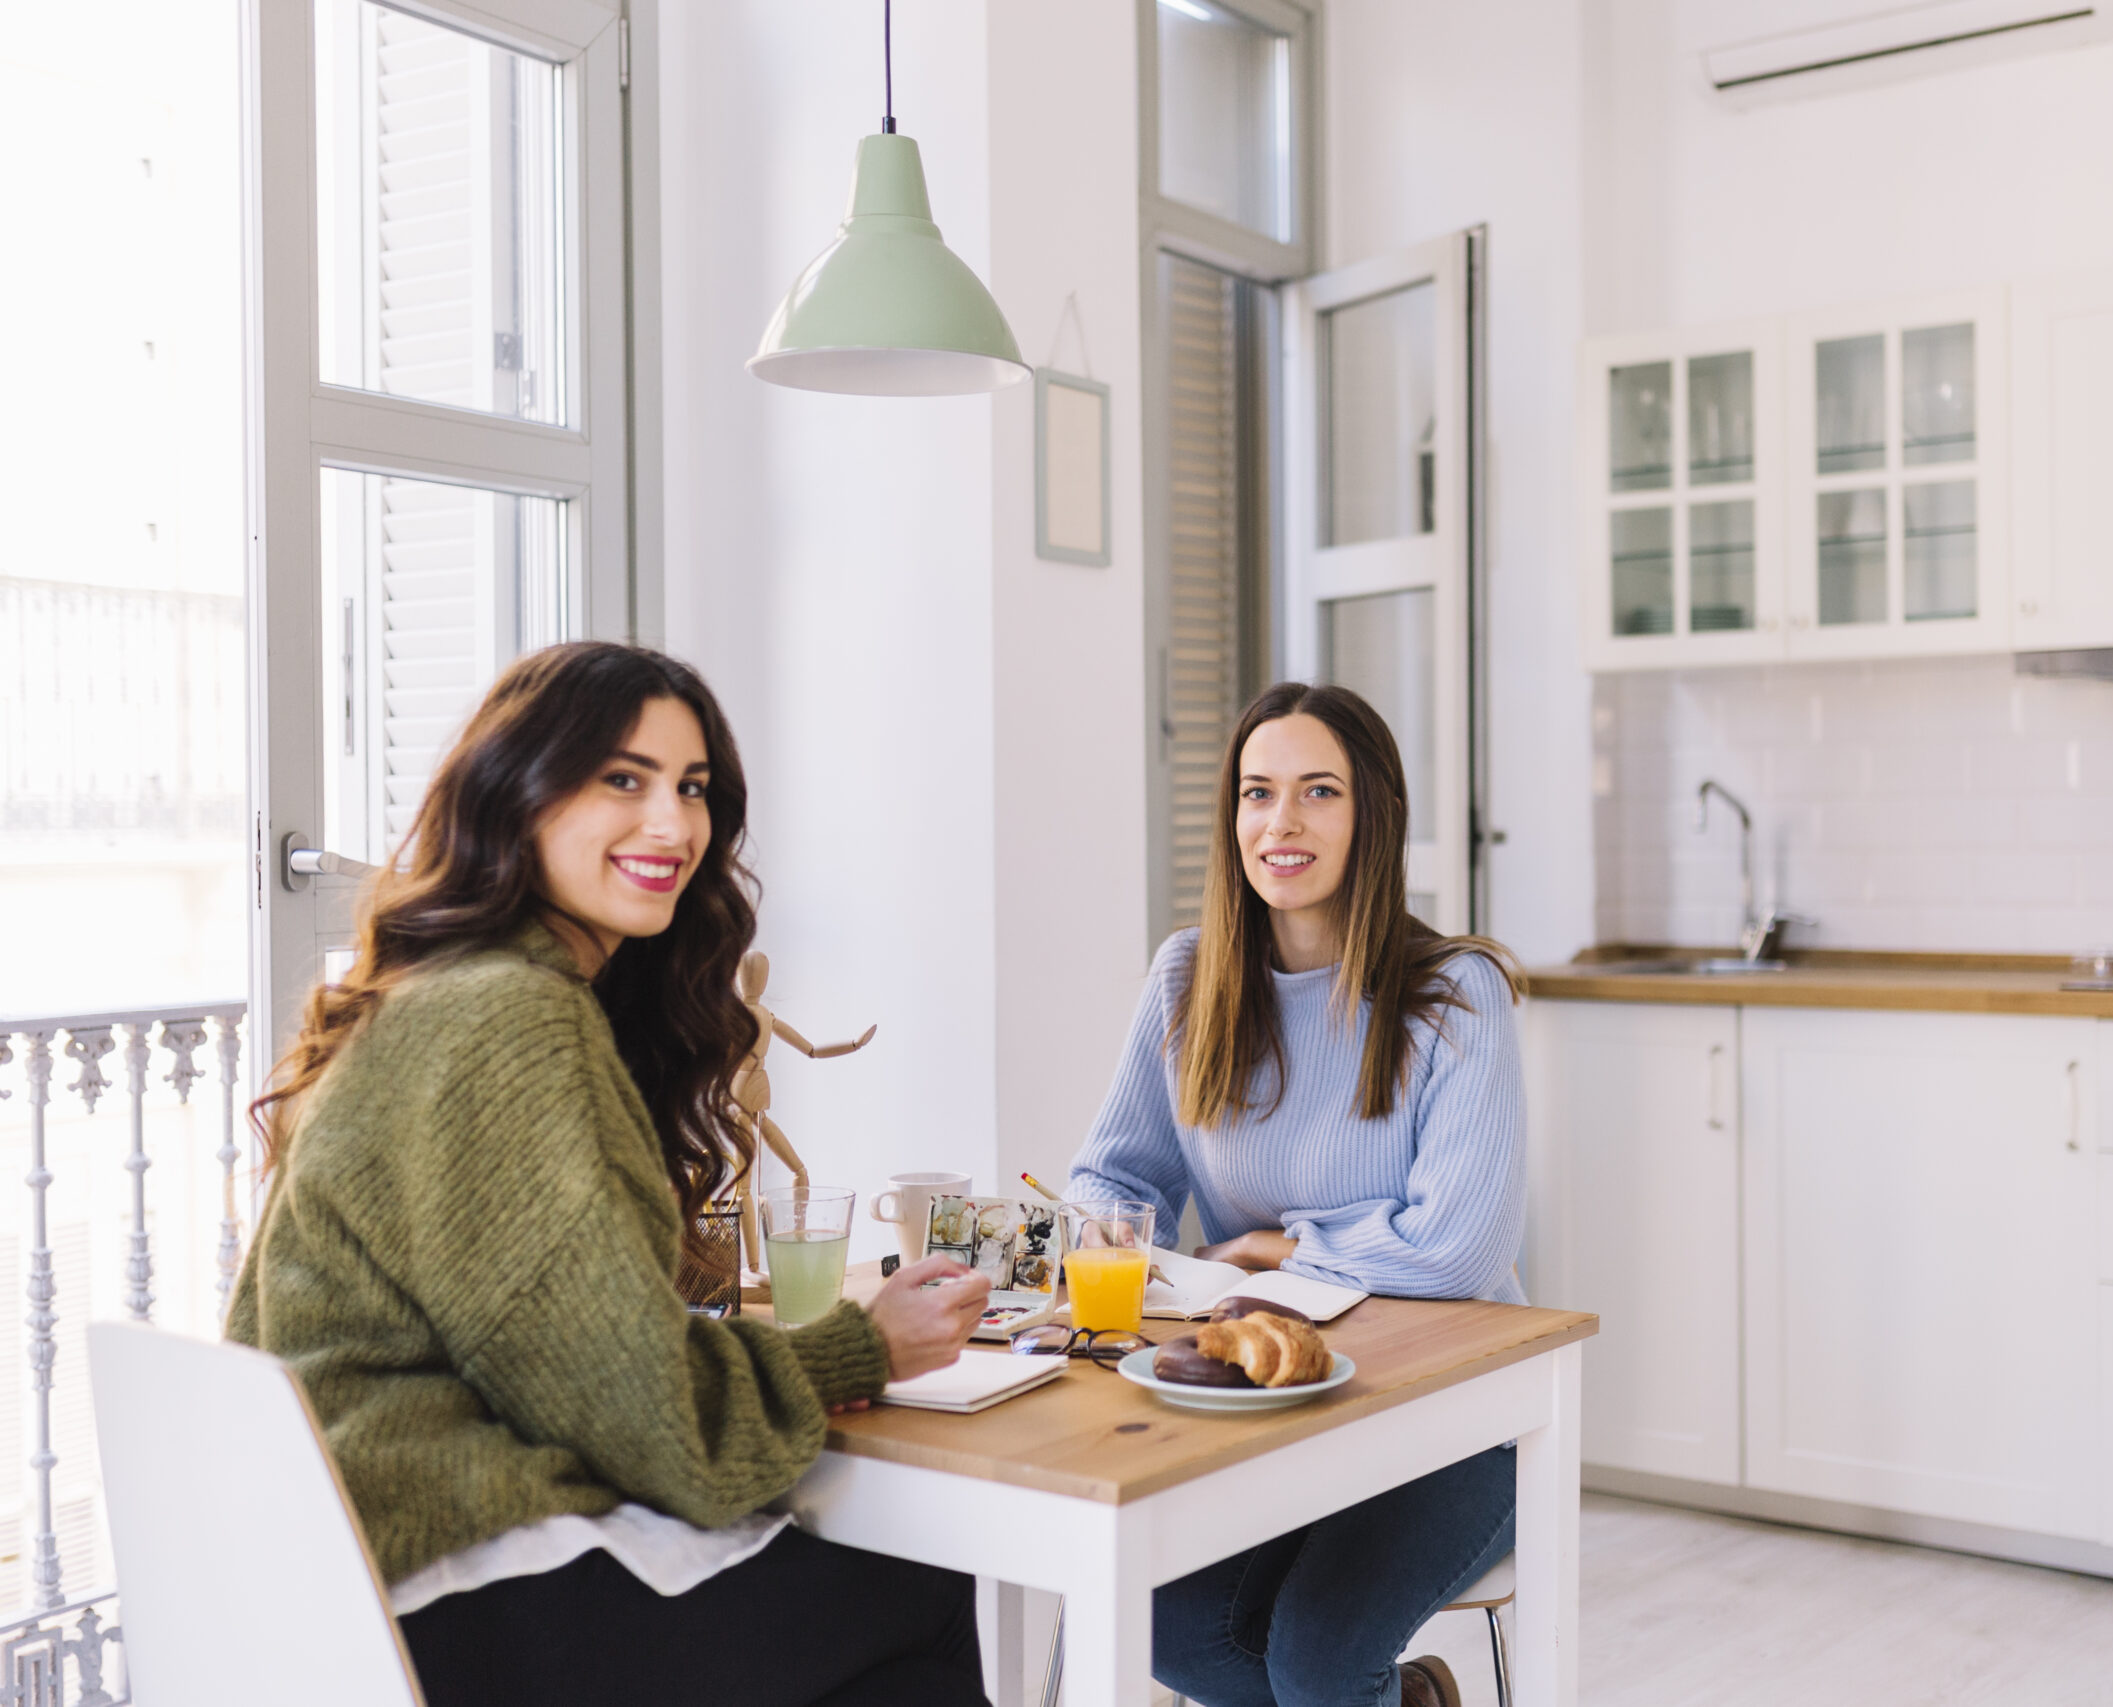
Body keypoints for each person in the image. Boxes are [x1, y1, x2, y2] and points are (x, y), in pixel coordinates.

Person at [229, 641, 995, 1707]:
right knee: (915, 1585)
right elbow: (645, 1418)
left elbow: (560, 1350)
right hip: (449, 1595)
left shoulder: (445, 990)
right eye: (621, 780)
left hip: (340, 1572)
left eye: (692, 789)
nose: (674, 826)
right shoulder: (509, 1016)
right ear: (516, 792)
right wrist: (864, 1344)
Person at [1067, 681, 1527, 1707]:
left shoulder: (1457, 995)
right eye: (1255, 792)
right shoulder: (1187, 979)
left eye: (1318, 792)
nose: (1280, 822)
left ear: (1373, 815)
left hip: (1455, 1418)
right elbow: (1108, 1174)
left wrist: (1278, 1248)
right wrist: (1116, 1230)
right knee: (1169, 1624)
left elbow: (1454, 1251)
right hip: (1277, 1409)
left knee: (1317, 1657)